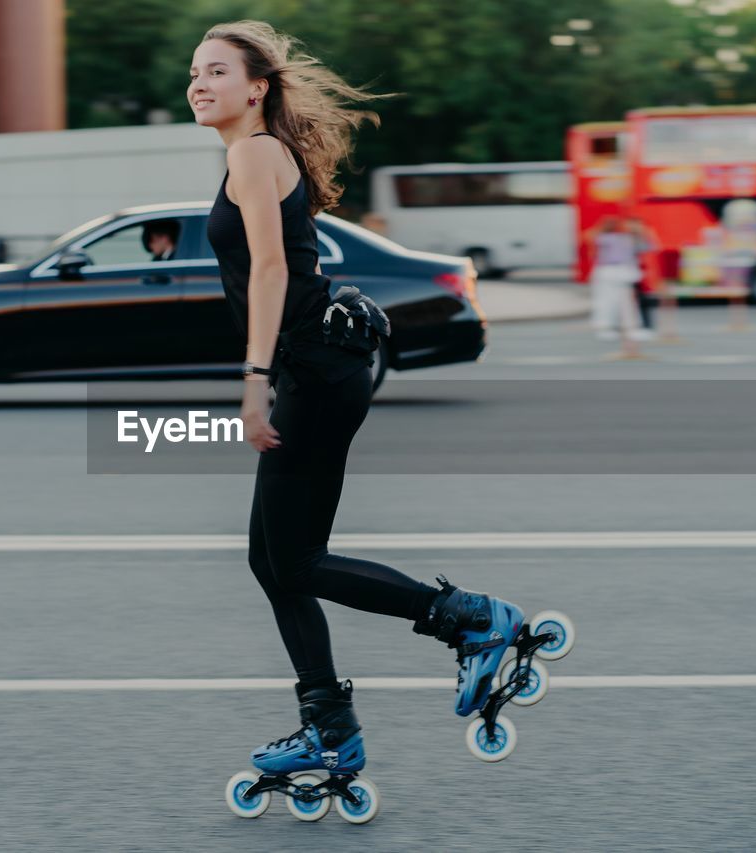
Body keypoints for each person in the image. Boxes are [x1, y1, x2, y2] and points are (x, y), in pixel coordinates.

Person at [192, 20, 555, 786]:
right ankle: (330, 726)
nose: (198, 83)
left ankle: (473, 621)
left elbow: (268, 272)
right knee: (275, 560)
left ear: (256, 88)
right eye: (194, 73)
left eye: (216, 71)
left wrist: (253, 380)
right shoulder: (249, 156)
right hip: (319, 366)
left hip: (314, 369)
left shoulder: (256, 154)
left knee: (292, 557)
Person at [582, 215, 648, 341]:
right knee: (607, 302)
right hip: (608, 271)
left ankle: (627, 327)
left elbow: (647, 246)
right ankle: (606, 327)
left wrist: (638, 231)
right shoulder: (603, 238)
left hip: (622, 272)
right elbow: (589, 236)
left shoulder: (628, 238)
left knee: (626, 302)